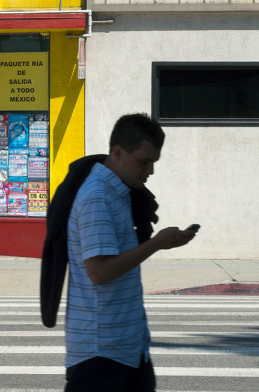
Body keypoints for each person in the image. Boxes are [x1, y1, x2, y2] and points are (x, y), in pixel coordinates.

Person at [64, 113, 198, 391]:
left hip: (128, 348)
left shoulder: (118, 191)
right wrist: (156, 243)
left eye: (153, 162)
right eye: (143, 161)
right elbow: (99, 271)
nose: (150, 170)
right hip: (100, 355)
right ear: (117, 152)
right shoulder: (97, 196)